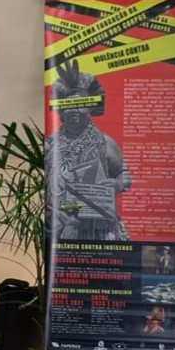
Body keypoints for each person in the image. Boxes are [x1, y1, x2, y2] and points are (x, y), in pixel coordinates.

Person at [45, 59, 132, 241]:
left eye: (79, 105)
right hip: (57, 225)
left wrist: (117, 185)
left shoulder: (104, 143)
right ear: (60, 111)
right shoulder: (50, 144)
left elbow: (124, 175)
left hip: (96, 228)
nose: (73, 111)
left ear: (90, 108)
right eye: (68, 106)